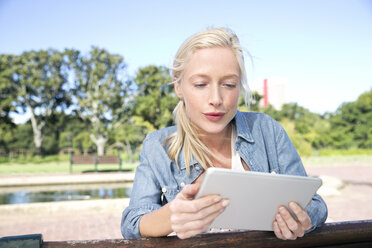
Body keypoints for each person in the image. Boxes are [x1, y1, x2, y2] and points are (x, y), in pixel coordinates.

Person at [121, 27, 327, 240]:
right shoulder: (157, 146)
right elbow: (132, 223)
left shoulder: (267, 130)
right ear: (178, 86)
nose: (216, 99)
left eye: (229, 84)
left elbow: (316, 205)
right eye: (201, 84)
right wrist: (170, 217)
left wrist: (300, 219)